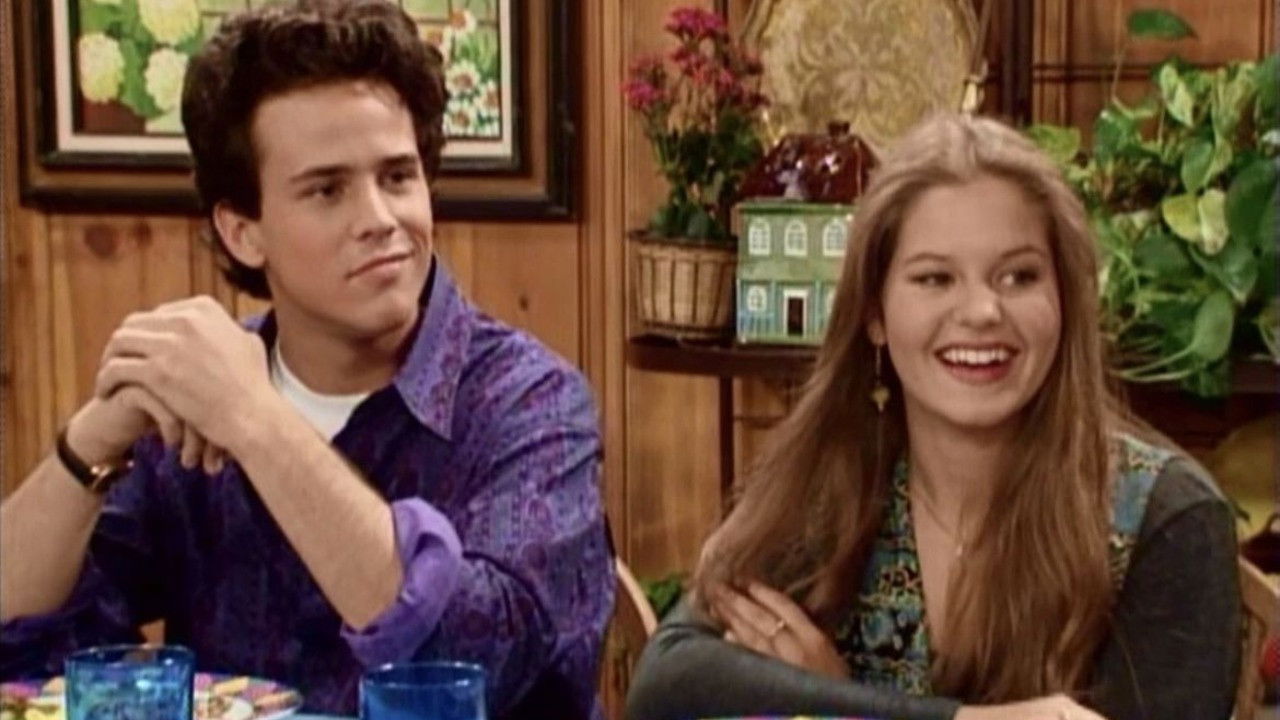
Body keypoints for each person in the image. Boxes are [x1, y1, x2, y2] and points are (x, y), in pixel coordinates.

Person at [0, 2, 614, 718]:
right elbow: (25, 647)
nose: (381, 220)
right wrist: (90, 444)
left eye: (398, 177)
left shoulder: (531, 401)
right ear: (243, 231)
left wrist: (258, 421)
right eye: (328, 190)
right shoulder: (195, 401)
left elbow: (466, 662)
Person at [627, 113, 1241, 720]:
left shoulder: (1166, 518)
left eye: (1019, 276)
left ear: (1065, 301)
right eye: (935, 278)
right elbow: (666, 684)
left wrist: (839, 708)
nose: (982, 311)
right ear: (875, 313)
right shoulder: (826, 482)